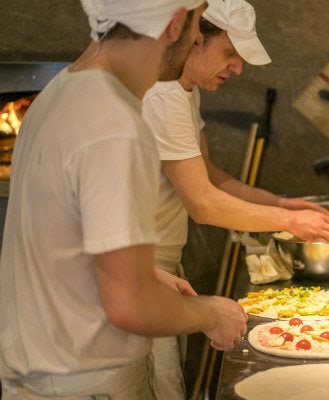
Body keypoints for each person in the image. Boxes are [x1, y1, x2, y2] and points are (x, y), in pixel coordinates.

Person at [0, 1, 248, 399]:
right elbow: (130, 306)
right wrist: (211, 312)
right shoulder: (114, 123)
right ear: (172, 25)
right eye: (196, 32)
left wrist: (141, 273)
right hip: (89, 382)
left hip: (35, 369)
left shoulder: (60, 90)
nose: (197, 40)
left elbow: (60, 236)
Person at [141, 0, 329, 397]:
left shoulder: (183, 92)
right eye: (230, 53)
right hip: (139, 272)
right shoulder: (162, 97)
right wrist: (289, 223)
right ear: (195, 38)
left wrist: (283, 205)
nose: (237, 68)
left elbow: (212, 177)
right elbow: (203, 204)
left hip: (164, 266)